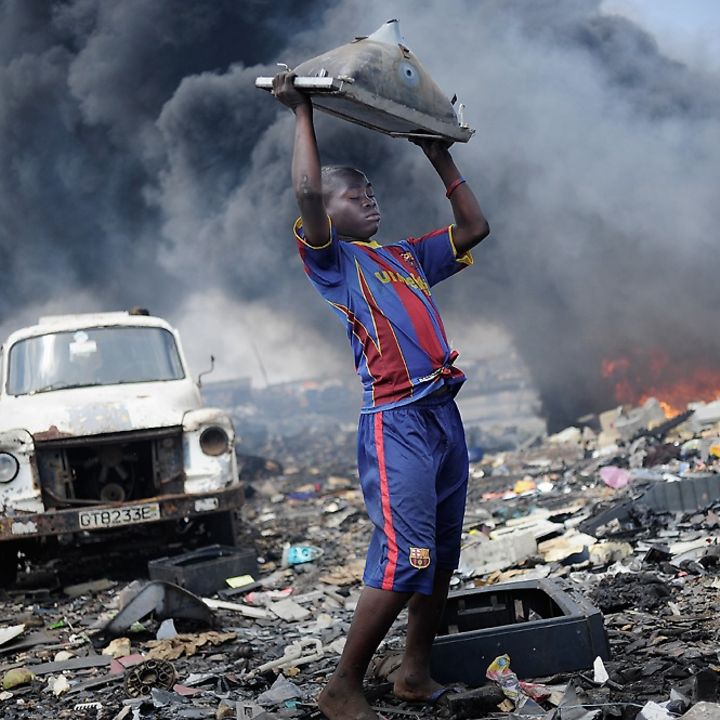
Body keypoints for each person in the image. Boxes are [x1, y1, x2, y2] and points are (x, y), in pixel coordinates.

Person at [272, 71, 490, 720]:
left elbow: (475, 227)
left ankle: (413, 674)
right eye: (353, 193)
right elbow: (307, 187)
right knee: (407, 555)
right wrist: (302, 109)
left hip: (441, 417)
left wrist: (437, 152)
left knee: (441, 554)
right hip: (396, 423)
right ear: (327, 212)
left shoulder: (404, 256)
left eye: (369, 191)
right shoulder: (331, 259)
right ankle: (343, 683)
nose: (368, 199)